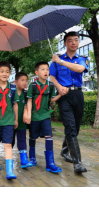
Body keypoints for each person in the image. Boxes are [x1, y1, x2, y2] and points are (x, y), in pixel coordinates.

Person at [49, 31, 89, 173]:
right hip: (64, 96)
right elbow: (52, 77)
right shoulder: (55, 59)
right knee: (70, 127)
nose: (73, 43)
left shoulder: (82, 58)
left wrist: (61, 61)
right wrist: (59, 87)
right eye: (70, 40)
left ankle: (65, 150)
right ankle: (77, 163)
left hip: (78, 94)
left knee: (76, 128)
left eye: (76, 40)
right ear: (65, 43)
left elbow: (80, 69)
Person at [25, 61, 62, 173]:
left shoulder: (50, 85)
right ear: (36, 72)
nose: (46, 71)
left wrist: (60, 94)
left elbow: (51, 100)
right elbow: (29, 101)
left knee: (49, 135)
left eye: (47, 69)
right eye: (43, 69)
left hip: (45, 115)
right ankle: (32, 157)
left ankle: (50, 163)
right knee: (32, 136)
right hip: (35, 116)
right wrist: (29, 115)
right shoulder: (33, 85)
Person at [13, 71, 33, 169]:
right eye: (22, 80)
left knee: (22, 140)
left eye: (26, 80)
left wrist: (26, 114)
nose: (25, 82)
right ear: (16, 81)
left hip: (22, 122)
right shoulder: (11, 92)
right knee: (10, 141)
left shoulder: (26, 93)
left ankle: (24, 160)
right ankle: (8, 158)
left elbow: (26, 105)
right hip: (11, 121)